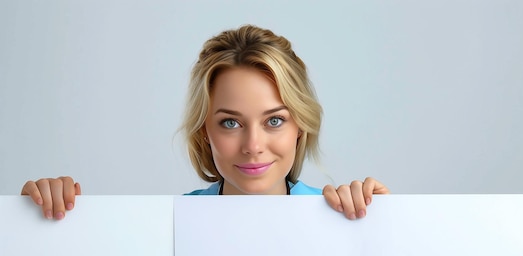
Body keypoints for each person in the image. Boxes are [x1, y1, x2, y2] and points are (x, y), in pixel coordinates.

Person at [21, 25, 389, 220]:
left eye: (274, 121)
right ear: (204, 132)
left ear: (301, 128)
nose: (253, 144)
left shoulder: (340, 216)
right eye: (230, 123)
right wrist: (35, 222)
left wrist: (388, 226)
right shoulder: (169, 224)